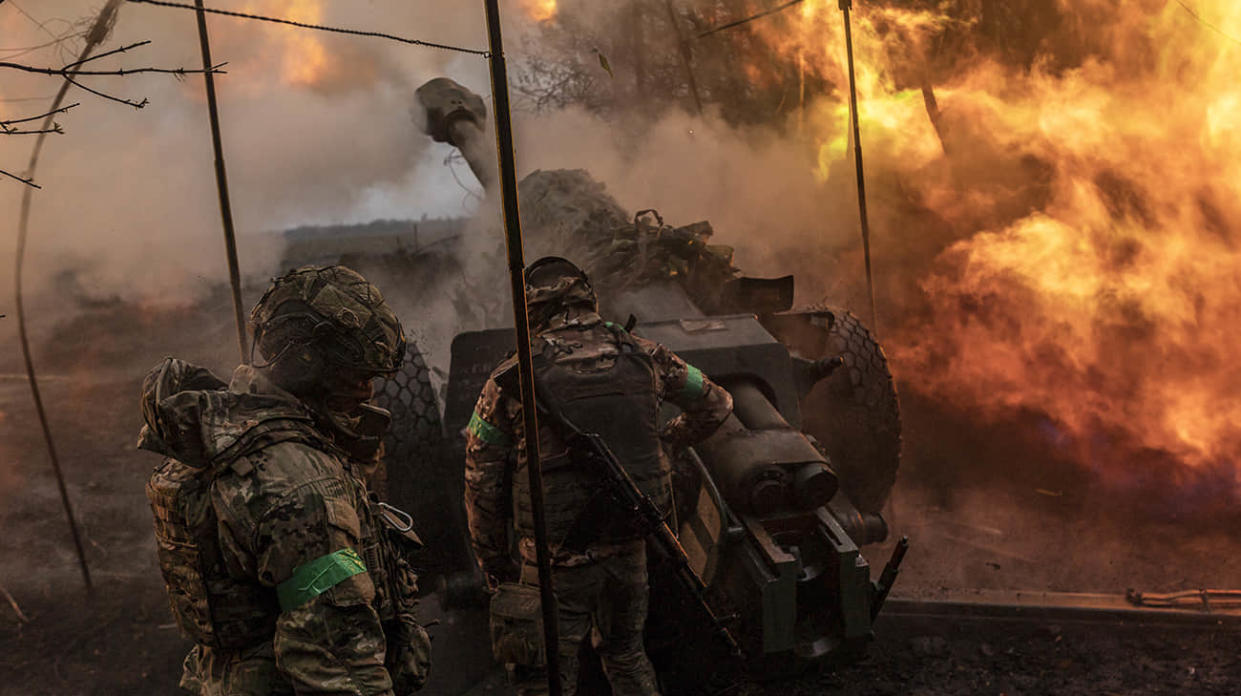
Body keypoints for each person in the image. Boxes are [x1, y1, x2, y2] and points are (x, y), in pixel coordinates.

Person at [139, 265, 431, 695]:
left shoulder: (227, 431)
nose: (368, 392)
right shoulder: (300, 485)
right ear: (308, 363)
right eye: (359, 376)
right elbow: (336, 661)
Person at [464, 257, 733, 695]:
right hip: (630, 547)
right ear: (588, 298)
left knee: (544, 675)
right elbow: (718, 403)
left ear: (531, 309)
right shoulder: (647, 356)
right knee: (626, 655)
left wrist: (492, 560)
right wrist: (670, 441)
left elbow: (481, 479)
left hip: (551, 560)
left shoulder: (511, 379)